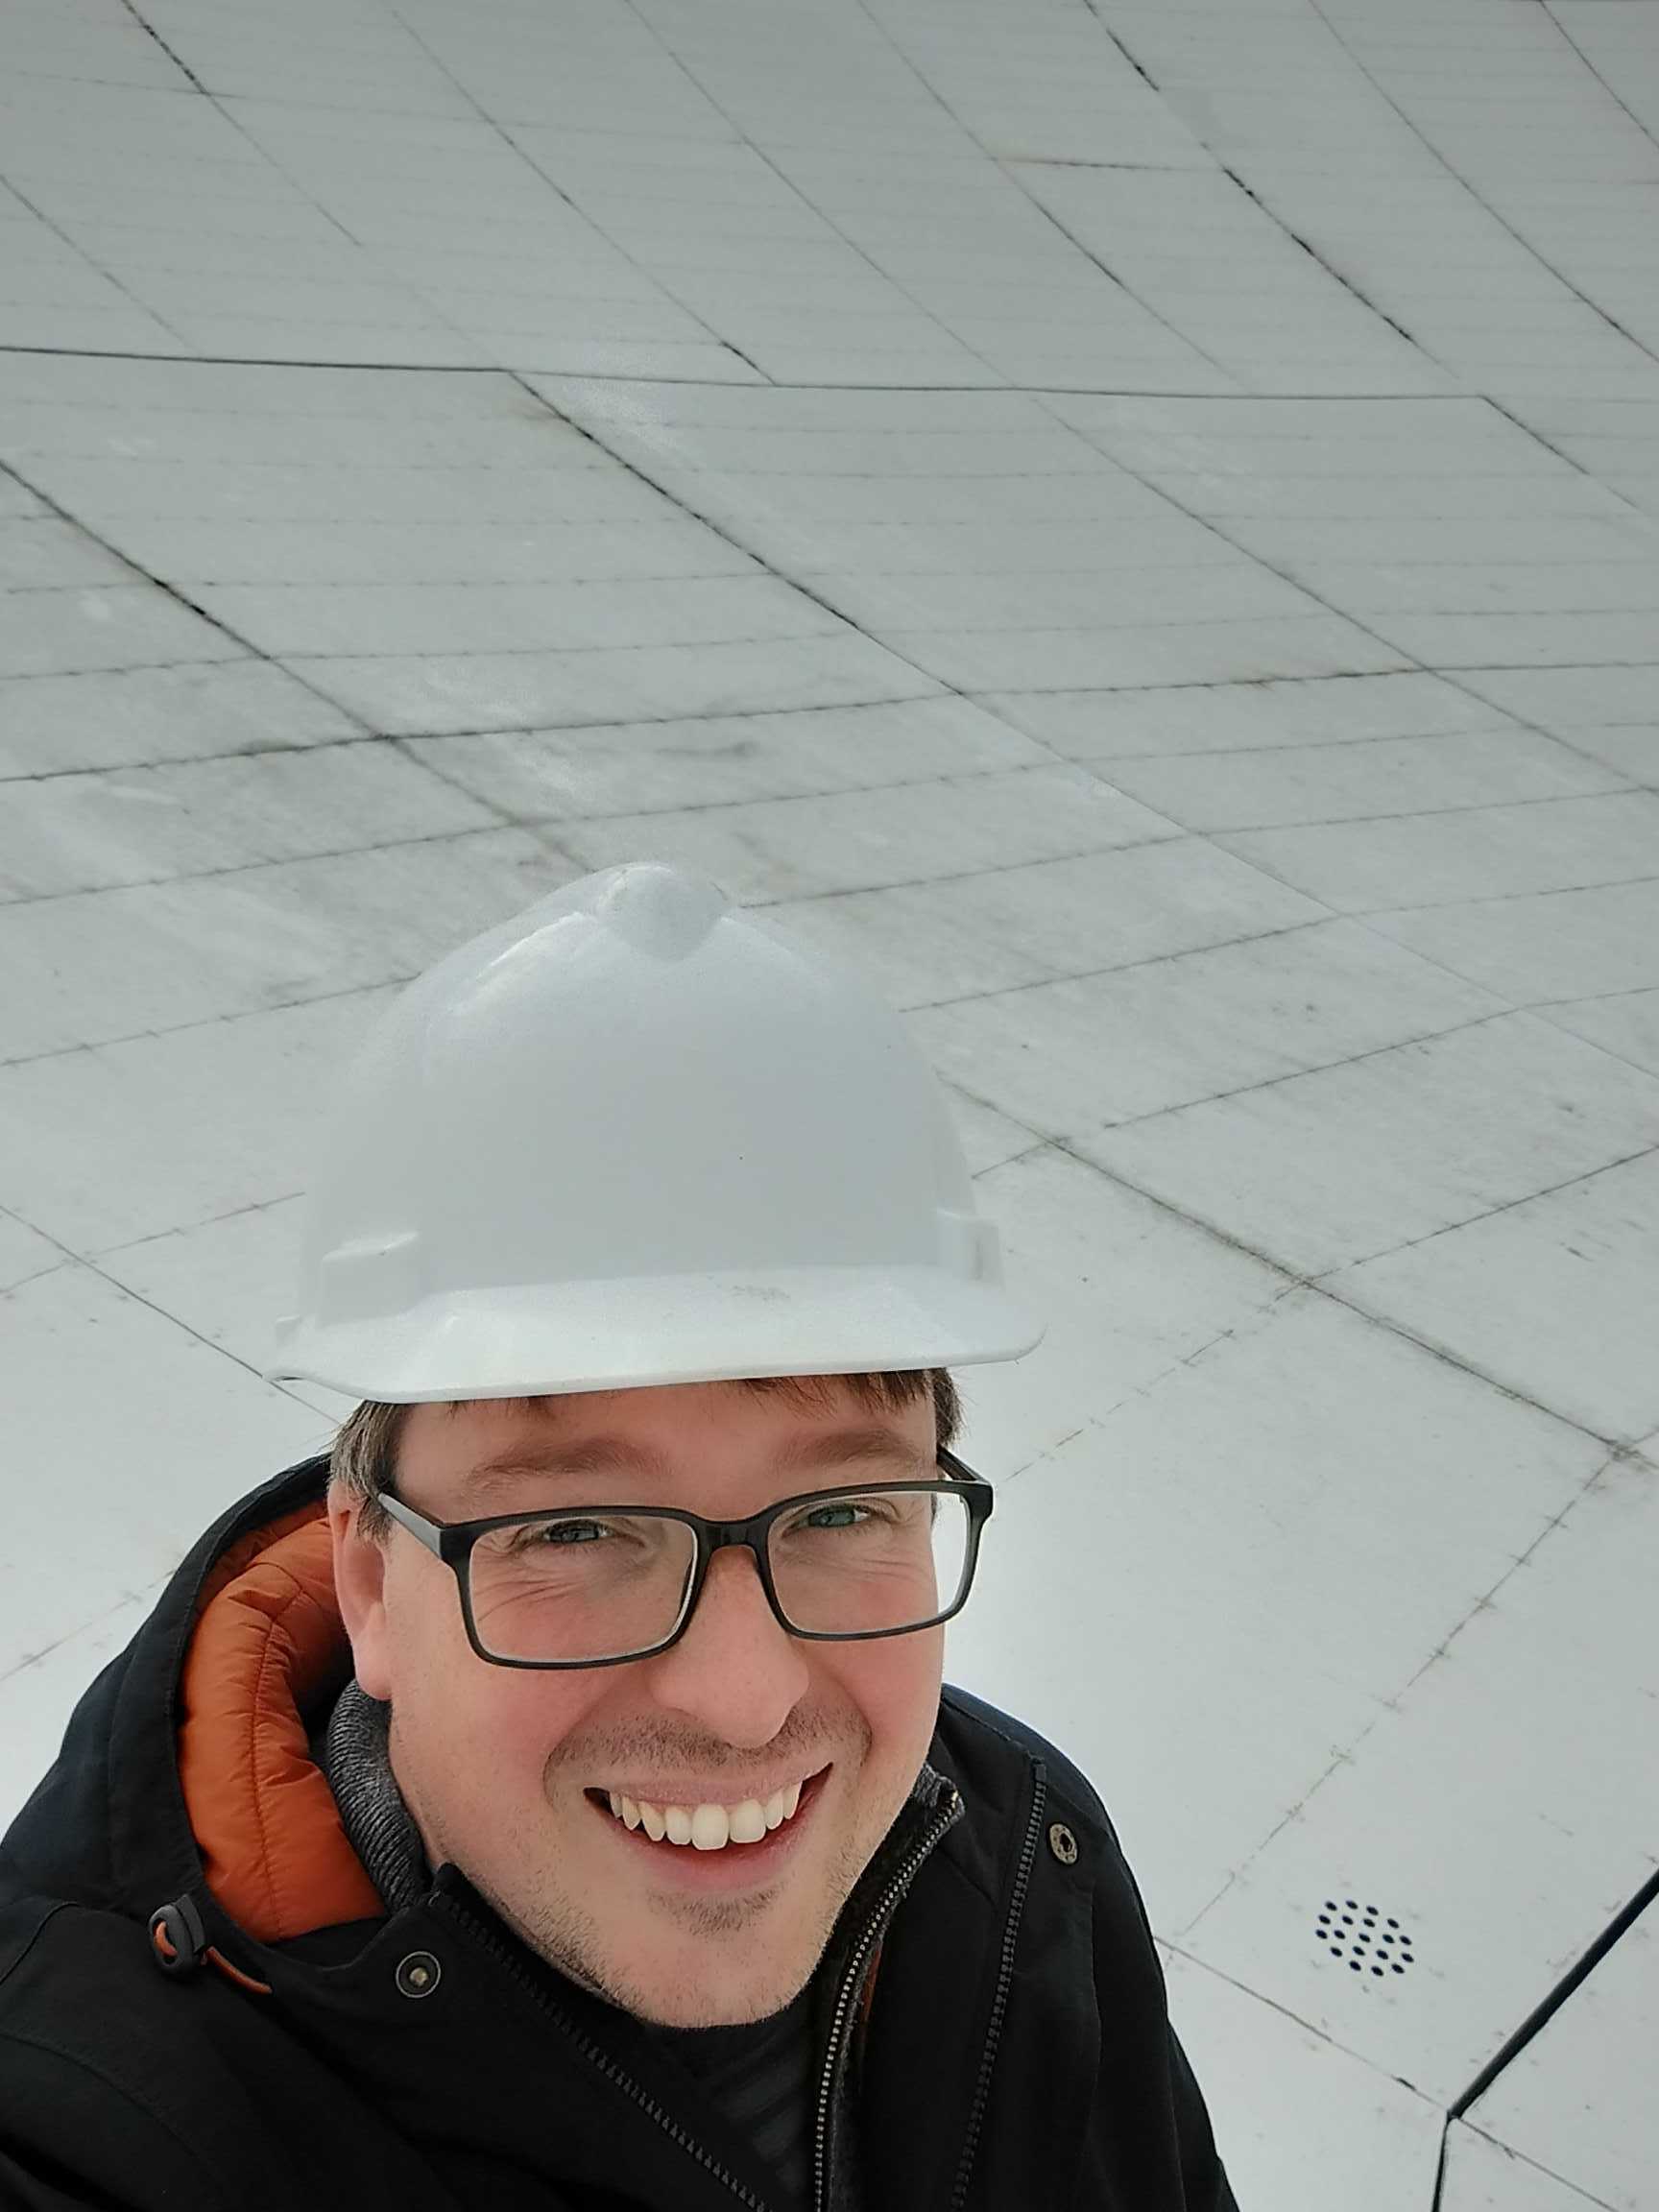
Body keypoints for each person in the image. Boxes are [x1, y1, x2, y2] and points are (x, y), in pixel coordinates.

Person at [0, 864, 1238, 2211]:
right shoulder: (88, 2135)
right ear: (370, 1579)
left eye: (838, 1513)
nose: (742, 1697)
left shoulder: (1022, 1867)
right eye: (576, 1527)